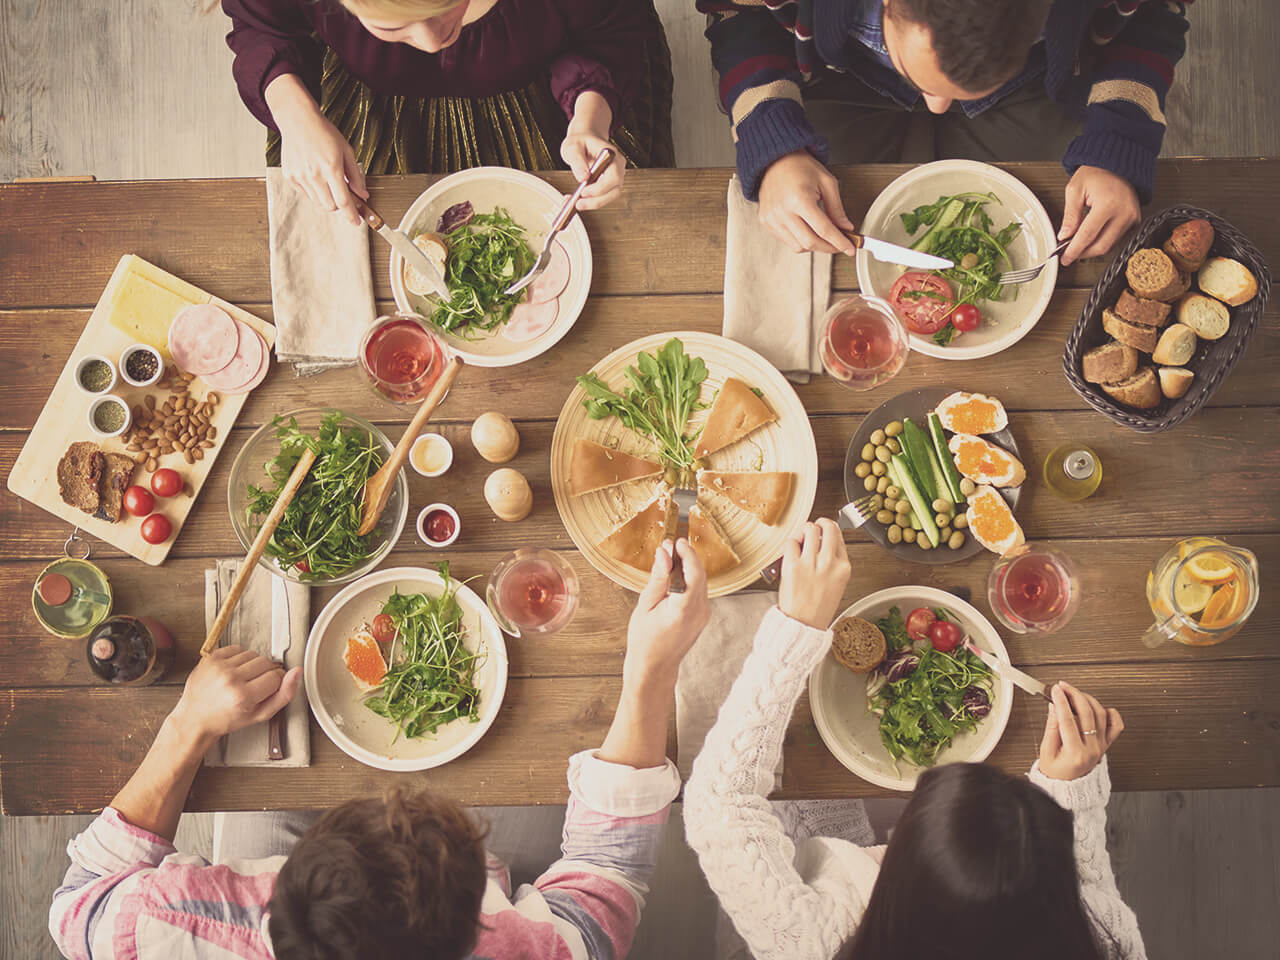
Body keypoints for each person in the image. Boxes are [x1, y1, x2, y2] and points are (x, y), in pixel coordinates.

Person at [49, 540, 712, 960]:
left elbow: (75, 902)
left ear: (277, 893)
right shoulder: (530, 951)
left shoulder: (164, 925)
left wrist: (187, 726)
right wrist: (651, 672)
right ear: (472, 933)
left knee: (257, 789)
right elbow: (605, 878)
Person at [683, 518, 1147, 960]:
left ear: (898, 864)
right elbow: (1089, 888)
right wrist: (1070, 792)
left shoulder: (805, 943)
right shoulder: (1105, 940)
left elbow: (717, 804)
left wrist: (795, 629)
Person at [699, 0, 1190, 266]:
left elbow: (1154, 15)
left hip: (1044, 79)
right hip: (828, 70)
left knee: (1056, 223)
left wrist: (1120, 139)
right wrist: (773, 143)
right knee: (807, 244)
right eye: (923, 80)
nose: (938, 108)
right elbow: (737, 13)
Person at [221, 0, 675, 224]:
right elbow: (263, 26)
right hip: (371, 107)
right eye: (392, 24)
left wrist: (590, 118)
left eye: (448, 6)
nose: (432, 43)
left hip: (551, 99)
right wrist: (297, 117)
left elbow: (609, 31)